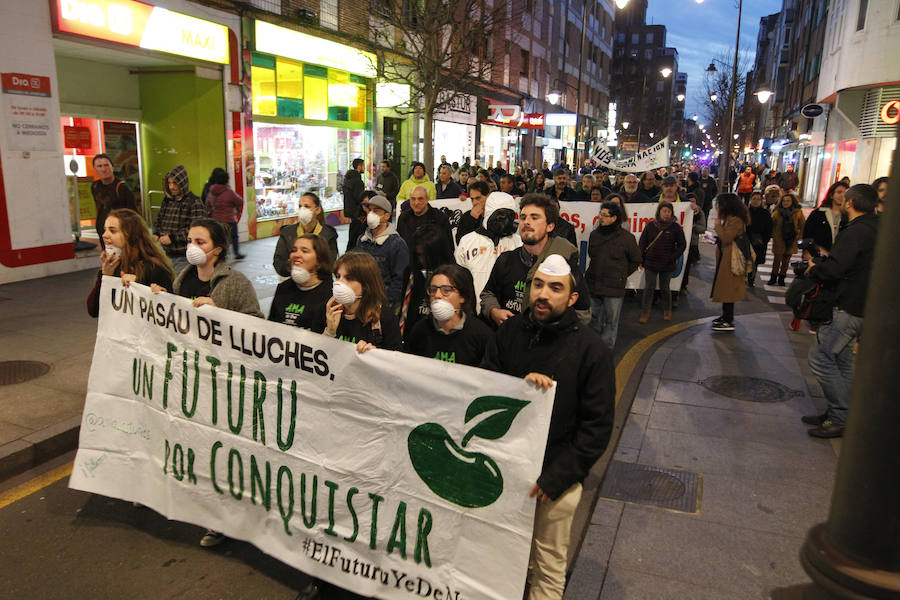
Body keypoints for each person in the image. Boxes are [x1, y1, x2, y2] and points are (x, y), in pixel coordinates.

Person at [481, 254, 615, 600]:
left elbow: (596, 428)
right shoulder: (508, 332)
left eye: (555, 288)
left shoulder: (591, 351)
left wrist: (556, 478)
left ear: (572, 298)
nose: (543, 294)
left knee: (548, 565)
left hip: (555, 481)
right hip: (504, 471)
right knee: (502, 554)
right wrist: (520, 388)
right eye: (538, 285)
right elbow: (484, 387)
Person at [150, 218, 262, 548]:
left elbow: (258, 326)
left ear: (216, 249)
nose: (192, 247)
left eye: (200, 241)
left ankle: (223, 519)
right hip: (189, 378)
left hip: (223, 382)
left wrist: (221, 314)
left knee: (222, 453)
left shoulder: (235, 282)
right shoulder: (183, 279)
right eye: (189, 240)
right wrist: (158, 298)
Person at [803, 184, 878, 438]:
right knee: (843, 362)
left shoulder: (856, 231)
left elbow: (836, 268)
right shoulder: (875, 228)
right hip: (860, 305)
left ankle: (839, 415)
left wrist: (814, 267)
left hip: (846, 305)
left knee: (821, 357)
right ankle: (841, 413)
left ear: (850, 203)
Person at [480, 193, 591, 327]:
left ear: (550, 226)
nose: (526, 222)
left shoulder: (565, 266)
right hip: (510, 339)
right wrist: (494, 311)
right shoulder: (506, 259)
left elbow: (583, 313)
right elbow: (488, 293)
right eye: (523, 217)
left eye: (534, 217)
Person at [86, 208, 174, 318]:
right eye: (105, 230)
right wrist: (105, 276)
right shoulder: (114, 266)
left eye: (112, 231)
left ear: (130, 235)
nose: (104, 235)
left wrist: (137, 287)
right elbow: (94, 310)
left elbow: (167, 315)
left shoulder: (154, 267)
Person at [404, 264, 493, 366]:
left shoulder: (481, 335)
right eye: (433, 290)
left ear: (462, 296)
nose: (437, 295)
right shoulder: (420, 331)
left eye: (446, 290)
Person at [585, 202, 641, 350]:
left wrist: (621, 274)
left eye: (605, 215)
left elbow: (636, 260)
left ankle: (605, 351)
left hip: (614, 288)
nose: (601, 218)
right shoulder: (594, 235)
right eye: (600, 214)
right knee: (591, 318)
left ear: (614, 218)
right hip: (593, 284)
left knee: (611, 321)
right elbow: (592, 254)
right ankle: (592, 348)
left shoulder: (627, 238)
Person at [454, 192, 522, 312]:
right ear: (490, 213)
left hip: (508, 313)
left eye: (509, 216)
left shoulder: (519, 242)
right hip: (473, 313)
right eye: (500, 215)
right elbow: (457, 279)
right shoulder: (468, 241)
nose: (505, 220)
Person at [322, 251, 402, 352]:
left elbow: (396, 362)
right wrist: (330, 331)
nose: (339, 283)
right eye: (338, 276)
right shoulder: (329, 311)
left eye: (349, 278)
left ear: (366, 285)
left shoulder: (384, 318)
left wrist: (374, 354)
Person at [398, 224, 455, 339]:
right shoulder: (411, 273)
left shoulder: (456, 276)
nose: (422, 260)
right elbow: (404, 312)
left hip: (448, 339)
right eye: (419, 255)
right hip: (415, 340)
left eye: (427, 256)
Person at [267, 234, 333, 331]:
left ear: (319, 260)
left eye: (304, 251)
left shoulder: (330, 294)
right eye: (294, 250)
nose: (296, 255)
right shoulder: (283, 288)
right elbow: (271, 325)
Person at [355, 194, 409, 310]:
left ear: (387, 216)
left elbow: (399, 281)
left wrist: (385, 304)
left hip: (384, 304)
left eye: (376, 211)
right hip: (362, 301)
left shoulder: (397, 244)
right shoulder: (361, 240)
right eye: (369, 210)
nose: (371, 214)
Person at [638, 201, 686, 323]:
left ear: (672, 213)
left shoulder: (675, 228)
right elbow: (642, 243)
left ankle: (667, 310)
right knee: (649, 288)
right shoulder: (650, 226)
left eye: (669, 211)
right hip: (650, 262)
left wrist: (673, 257)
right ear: (659, 212)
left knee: (665, 288)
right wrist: (641, 259)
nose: (666, 214)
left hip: (667, 264)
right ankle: (645, 312)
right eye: (664, 211)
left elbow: (682, 244)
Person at [155, 165, 208, 273]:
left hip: (183, 257)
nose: (171, 187)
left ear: (182, 183)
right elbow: (160, 219)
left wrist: (173, 238)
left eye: (175, 183)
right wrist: (156, 233)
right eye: (169, 183)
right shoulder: (167, 201)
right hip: (164, 254)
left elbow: (197, 230)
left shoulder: (194, 202)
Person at [272, 192, 339, 277]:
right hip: (292, 279)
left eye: (307, 206)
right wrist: (295, 270)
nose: (302, 210)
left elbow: (330, 263)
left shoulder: (328, 235)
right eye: (300, 206)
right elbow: (278, 262)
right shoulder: (287, 233)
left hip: (318, 281)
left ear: (317, 210)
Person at [710, 194, 749, 332]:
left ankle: (728, 319)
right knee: (725, 287)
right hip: (725, 257)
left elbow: (727, 237)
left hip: (731, 259)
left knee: (728, 289)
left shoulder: (735, 220)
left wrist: (717, 226)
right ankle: (725, 316)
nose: (717, 207)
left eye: (719, 204)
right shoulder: (730, 219)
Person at [90, 153, 139, 248]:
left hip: (120, 233)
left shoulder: (122, 187)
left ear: (112, 167)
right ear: (95, 169)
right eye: (99, 166)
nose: (103, 169)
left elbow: (133, 214)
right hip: (103, 232)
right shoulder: (95, 186)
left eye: (106, 165)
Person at [203, 168, 245, 260]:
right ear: (226, 180)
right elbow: (240, 201)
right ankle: (236, 253)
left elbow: (207, 204)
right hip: (229, 219)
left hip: (216, 220)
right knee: (234, 236)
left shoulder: (212, 191)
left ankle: (220, 255)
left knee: (219, 238)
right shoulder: (229, 192)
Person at [396, 185, 453, 251]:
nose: (416, 203)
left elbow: (449, 247)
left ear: (427, 199)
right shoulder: (403, 218)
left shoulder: (440, 218)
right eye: (413, 199)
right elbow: (399, 246)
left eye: (420, 199)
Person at [769, 192, 806, 286]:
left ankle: (782, 277)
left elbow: (802, 225)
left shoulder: (798, 212)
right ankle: (773, 277)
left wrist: (800, 237)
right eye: (784, 201)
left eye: (788, 201)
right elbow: (771, 224)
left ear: (792, 202)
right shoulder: (777, 212)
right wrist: (772, 235)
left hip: (792, 239)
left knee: (786, 260)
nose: (786, 202)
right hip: (779, 239)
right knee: (777, 259)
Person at [803, 181, 848, 253]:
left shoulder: (848, 216)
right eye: (839, 192)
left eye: (845, 193)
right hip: (819, 255)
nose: (842, 196)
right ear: (831, 195)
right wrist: (808, 251)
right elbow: (807, 234)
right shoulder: (818, 213)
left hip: (840, 256)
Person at [680, 193, 707, 295]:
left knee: (686, 266)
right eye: (689, 202)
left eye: (693, 202)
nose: (691, 204)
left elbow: (703, 228)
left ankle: (683, 286)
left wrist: (694, 226)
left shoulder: (699, 212)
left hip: (691, 242)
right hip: (679, 241)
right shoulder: (682, 210)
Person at [746, 191, 773, 287]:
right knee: (745, 260)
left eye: (758, 199)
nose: (756, 201)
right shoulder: (745, 211)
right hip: (746, 240)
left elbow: (769, 228)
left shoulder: (765, 213)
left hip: (759, 242)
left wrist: (765, 240)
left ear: (762, 201)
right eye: (754, 199)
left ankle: (751, 279)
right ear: (750, 200)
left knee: (754, 262)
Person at [342, 158, 366, 222]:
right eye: (363, 165)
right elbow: (359, 197)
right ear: (359, 167)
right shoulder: (357, 181)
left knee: (353, 226)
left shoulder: (348, 179)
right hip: (356, 210)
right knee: (358, 228)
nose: (365, 168)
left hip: (350, 209)